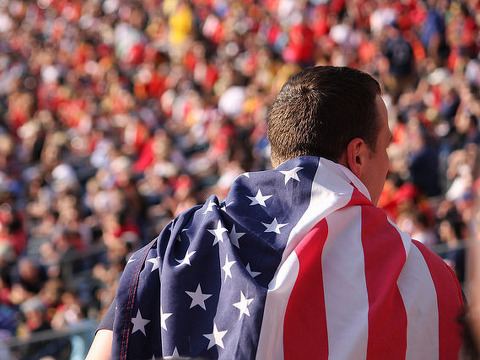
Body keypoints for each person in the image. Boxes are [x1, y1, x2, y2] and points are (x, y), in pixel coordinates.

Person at [86, 66, 465, 359]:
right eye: (386, 147)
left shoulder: (175, 245)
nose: (389, 165)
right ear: (359, 155)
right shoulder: (428, 280)